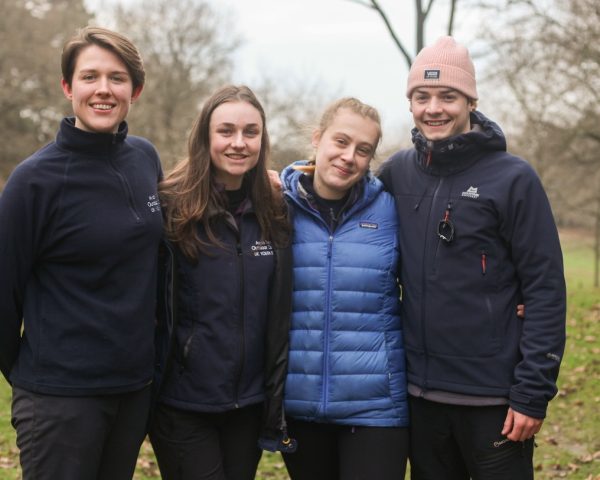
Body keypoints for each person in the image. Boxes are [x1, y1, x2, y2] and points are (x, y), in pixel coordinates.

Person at [377, 36, 567, 479]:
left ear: (470, 100)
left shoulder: (513, 178)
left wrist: (531, 392)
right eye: (421, 97)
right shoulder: (397, 172)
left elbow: (545, 289)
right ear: (410, 104)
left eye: (448, 96)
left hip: (494, 400)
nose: (434, 108)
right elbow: (340, 203)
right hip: (419, 398)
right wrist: (290, 182)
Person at [0, 26, 163, 479]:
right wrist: (37, 377)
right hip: (59, 400)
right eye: (90, 77)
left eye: (117, 78)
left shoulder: (145, 159)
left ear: (136, 90)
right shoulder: (32, 182)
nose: (104, 90)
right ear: (68, 87)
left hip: (132, 392)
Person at [148, 84, 294, 480]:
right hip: (183, 402)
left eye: (250, 132)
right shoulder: (170, 207)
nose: (238, 143)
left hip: (249, 404)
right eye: (226, 131)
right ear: (205, 137)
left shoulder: (276, 211)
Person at [280, 98, 409, 480]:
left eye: (363, 149)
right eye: (341, 141)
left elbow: (439, 273)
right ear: (318, 139)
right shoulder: (275, 207)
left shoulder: (391, 210)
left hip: (377, 409)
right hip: (299, 405)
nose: (349, 156)